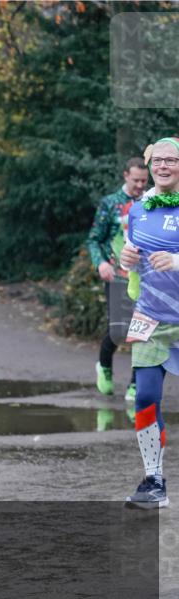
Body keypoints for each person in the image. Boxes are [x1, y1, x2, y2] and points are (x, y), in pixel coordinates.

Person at [119, 137, 179, 509]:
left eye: (172, 159)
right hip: (150, 317)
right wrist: (126, 258)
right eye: (157, 160)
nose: (163, 165)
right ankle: (154, 479)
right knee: (144, 397)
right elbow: (133, 263)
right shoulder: (137, 209)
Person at [87, 158, 149, 400]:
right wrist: (101, 263)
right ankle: (104, 366)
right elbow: (94, 239)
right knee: (118, 329)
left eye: (144, 181)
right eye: (136, 180)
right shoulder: (110, 204)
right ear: (125, 176)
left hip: (145, 278)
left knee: (141, 330)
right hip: (117, 274)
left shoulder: (151, 203)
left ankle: (135, 384)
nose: (140, 186)